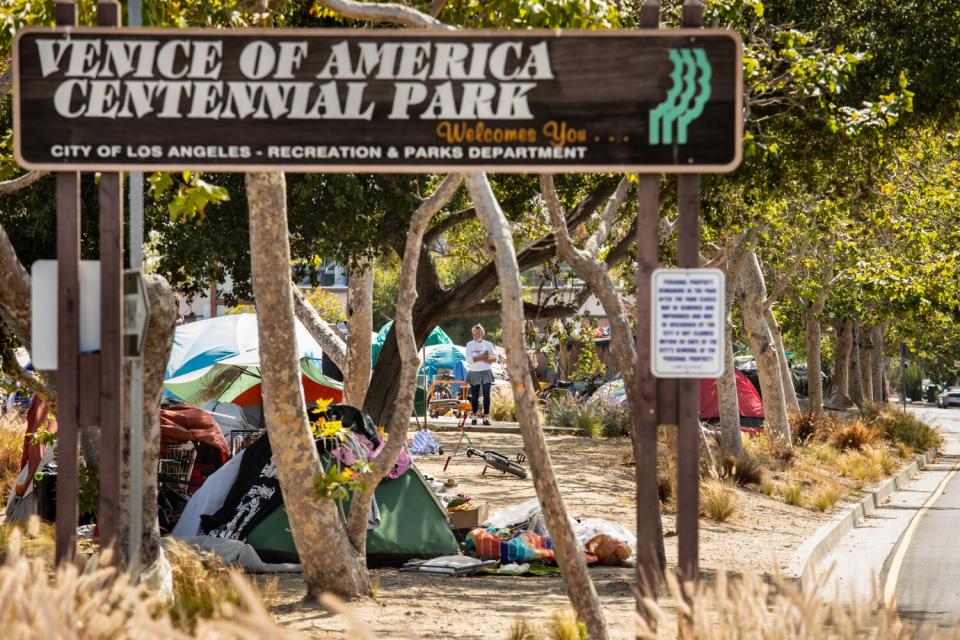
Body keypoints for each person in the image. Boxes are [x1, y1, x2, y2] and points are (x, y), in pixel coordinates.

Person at [465, 324, 497, 425]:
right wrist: (481, 357)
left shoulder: (488, 344)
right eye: (473, 333)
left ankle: (485, 418)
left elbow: (496, 358)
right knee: (474, 397)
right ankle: (474, 416)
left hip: (486, 371)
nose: (474, 335)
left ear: (481, 333)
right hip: (474, 372)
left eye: (476, 333)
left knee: (486, 395)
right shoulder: (469, 344)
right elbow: (469, 360)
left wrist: (488, 359)